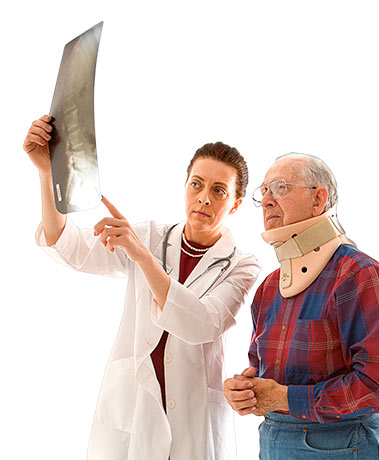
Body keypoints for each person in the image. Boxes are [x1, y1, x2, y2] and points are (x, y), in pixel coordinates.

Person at [24, 115, 261, 460]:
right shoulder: (149, 237)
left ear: (235, 203)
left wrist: (143, 258)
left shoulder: (241, 264)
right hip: (135, 407)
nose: (204, 198)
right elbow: (69, 247)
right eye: (196, 184)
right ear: (185, 186)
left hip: (192, 415)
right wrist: (47, 174)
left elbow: (203, 323)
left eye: (218, 190)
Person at [224, 153, 379, 460]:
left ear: (319, 199)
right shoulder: (269, 287)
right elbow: (263, 372)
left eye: (279, 187)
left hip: (341, 444)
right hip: (273, 440)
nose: (266, 201)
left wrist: (285, 398)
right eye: (263, 192)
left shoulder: (359, 274)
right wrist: (246, 391)